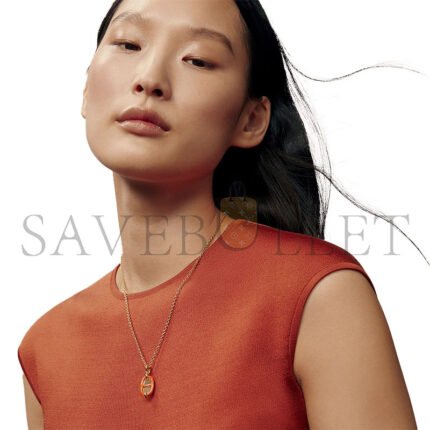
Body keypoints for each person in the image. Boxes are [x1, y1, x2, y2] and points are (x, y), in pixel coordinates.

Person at [18, 0, 418, 428]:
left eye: (198, 60)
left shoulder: (318, 297)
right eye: (129, 44)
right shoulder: (47, 348)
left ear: (251, 120)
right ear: (85, 91)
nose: (149, 79)